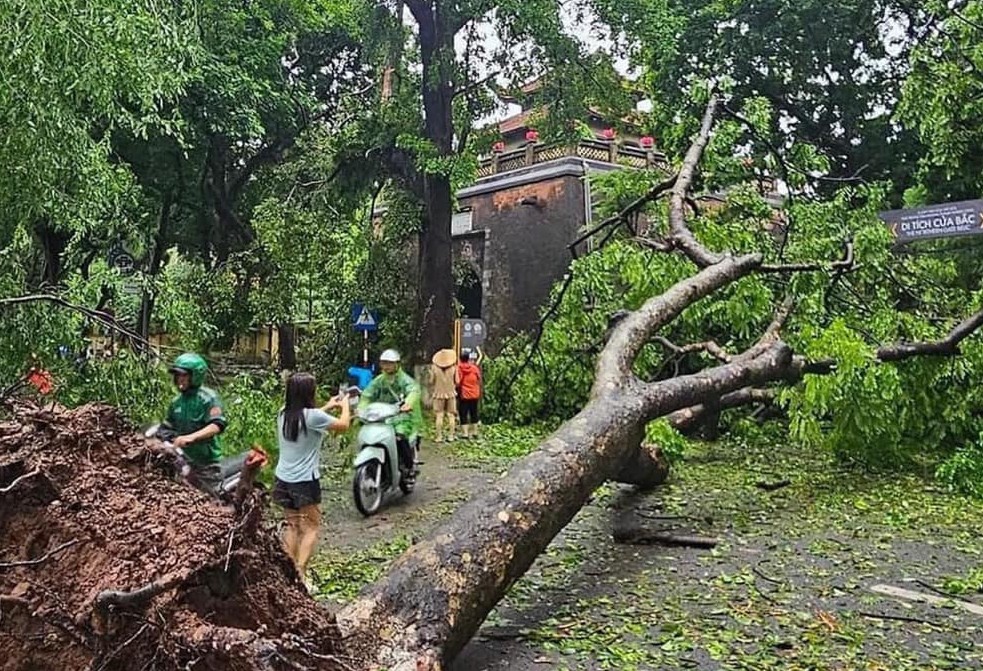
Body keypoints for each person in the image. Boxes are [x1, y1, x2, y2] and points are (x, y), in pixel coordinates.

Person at [274, 372, 350, 580]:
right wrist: (345, 406)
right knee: (311, 528)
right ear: (309, 393)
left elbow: (307, 417)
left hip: (282, 479)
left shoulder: (284, 413)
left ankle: (289, 572)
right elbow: (344, 425)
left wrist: (327, 406)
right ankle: (301, 572)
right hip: (305, 481)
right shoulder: (314, 417)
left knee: (292, 526)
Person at [164, 353, 227, 496]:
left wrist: (190, 438)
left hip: (206, 465)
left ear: (195, 376)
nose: (180, 380)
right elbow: (166, 428)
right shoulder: (176, 402)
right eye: (178, 376)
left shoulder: (208, 398)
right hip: (182, 464)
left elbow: (216, 425)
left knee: (211, 502)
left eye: (184, 376)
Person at [359, 349, 421, 476]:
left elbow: (414, 390)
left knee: (400, 435)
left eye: (389, 363)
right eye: (384, 363)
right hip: (382, 416)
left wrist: (408, 403)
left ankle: (409, 467)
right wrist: (362, 408)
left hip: (401, 416)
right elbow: (367, 394)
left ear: (397, 364)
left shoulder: (404, 380)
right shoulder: (379, 380)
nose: (386, 366)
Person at [430, 348, 458, 443]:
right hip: (451, 394)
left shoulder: (434, 368)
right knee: (451, 415)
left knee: (439, 415)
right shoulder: (454, 368)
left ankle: (439, 437)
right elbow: (457, 381)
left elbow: (431, 381)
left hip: (438, 394)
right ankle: (451, 436)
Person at [457, 349, 482, 439]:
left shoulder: (459, 368)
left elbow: (458, 381)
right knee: (474, 413)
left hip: (464, 395)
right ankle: (475, 432)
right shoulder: (474, 368)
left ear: (460, 359)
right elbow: (478, 378)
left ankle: (465, 433)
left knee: (463, 413)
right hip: (475, 394)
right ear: (468, 359)